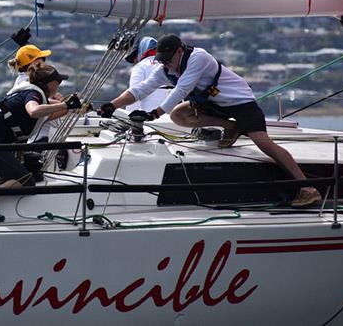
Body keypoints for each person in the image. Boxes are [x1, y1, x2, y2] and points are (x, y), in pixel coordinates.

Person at [99, 34, 322, 208]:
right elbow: (140, 89)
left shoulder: (198, 57)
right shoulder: (165, 69)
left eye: (168, 60)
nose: (166, 65)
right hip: (213, 104)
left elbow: (183, 88)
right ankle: (231, 127)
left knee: (264, 144)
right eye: (162, 61)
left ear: (179, 51)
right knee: (178, 115)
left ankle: (308, 188)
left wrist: (156, 113)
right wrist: (113, 104)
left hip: (240, 102)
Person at [0, 64, 82, 222]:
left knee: (16, 175)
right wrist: (65, 104)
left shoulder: (29, 93)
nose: (59, 85)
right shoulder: (33, 94)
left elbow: (46, 115)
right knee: (26, 179)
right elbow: (34, 111)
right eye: (58, 82)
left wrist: (74, 108)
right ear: (51, 84)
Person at [8, 44, 62, 142]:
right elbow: (38, 106)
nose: (45, 63)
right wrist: (65, 106)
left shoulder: (25, 80)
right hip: (37, 137)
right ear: (35, 62)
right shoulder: (28, 82)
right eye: (43, 59)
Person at [124, 36, 168, 112]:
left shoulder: (140, 66)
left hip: (150, 117)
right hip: (174, 118)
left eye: (135, 56)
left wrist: (128, 117)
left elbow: (133, 95)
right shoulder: (169, 63)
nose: (134, 61)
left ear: (141, 52)